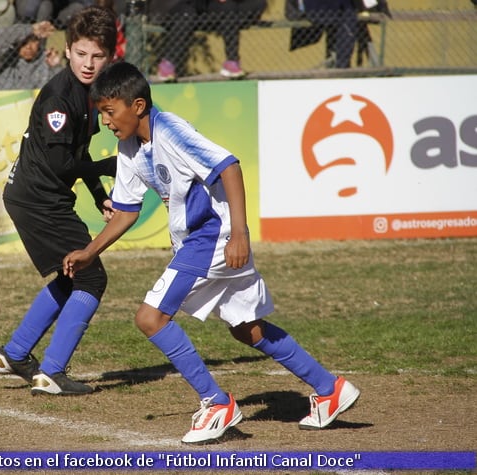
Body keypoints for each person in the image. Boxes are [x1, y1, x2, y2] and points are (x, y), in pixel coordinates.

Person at [63, 61, 360, 442]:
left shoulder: (171, 130)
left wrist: (240, 232)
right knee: (246, 329)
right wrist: (90, 251)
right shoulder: (129, 148)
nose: (105, 120)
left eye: (109, 110)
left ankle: (217, 403)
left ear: (137, 106)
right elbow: (126, 211)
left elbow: (229, 167)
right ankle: (329, 388)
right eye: (101, 112)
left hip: (213, 239)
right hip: (206, 242)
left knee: (150, 318)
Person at [0, 5, 119, 396]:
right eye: (81, 54)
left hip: (42, 197)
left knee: (72, 273)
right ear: (66, 51)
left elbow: (78, 152)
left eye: (97, 55)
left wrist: (99, 196)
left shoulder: (89, 93)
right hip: (37, 200)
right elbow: (66, 165)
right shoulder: (60, 99)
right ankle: (53, 371)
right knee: (91, 275)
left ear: (109, 56)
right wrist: (110, 167)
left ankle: (15, 353)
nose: (88, 63)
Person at [147, 0, 264, 80]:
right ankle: (168, 63)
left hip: (203, 8)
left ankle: (232, 62)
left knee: (229, 7)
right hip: (177, 6)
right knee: (187, 14)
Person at [0, 20, 64, 90]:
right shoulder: (6, 60)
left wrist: (56, 67)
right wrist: (31, 29)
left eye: (33, 41)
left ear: (39, 42)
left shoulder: (46, 60)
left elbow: (61, 89)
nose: (28, 47)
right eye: (24, 42)